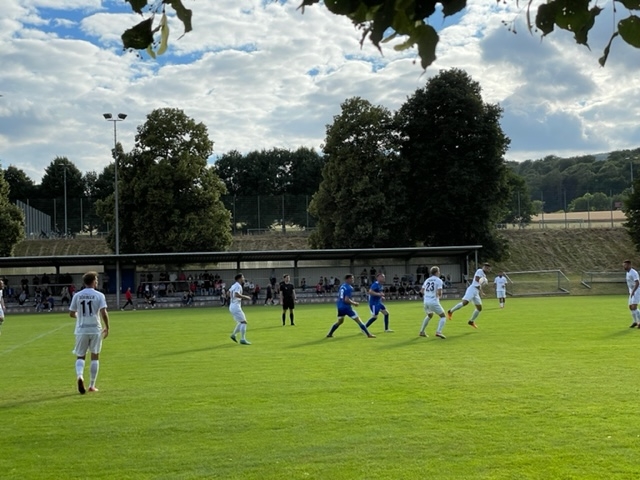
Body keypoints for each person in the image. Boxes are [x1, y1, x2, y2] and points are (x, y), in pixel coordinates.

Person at [69, 271, 110, 394]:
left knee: (80, 356)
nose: (97, 282)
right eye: (96, 280)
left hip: (81, 329)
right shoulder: (99, 295)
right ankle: (92, 385)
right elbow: (103, 313)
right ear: (93, 281)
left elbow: (71, 313)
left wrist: (80, 316)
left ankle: (80, 376)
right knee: (95, 356)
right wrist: (107, 327)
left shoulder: (77, 295)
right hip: (95, 329)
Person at [326, 274, 376, 339]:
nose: (353, 280)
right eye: (352, 278)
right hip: (346, 308)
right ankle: (368, 334)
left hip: (340, 307)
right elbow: (346, 299)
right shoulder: (349, 288)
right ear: (348, 279)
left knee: (340, 321)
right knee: (359, 320)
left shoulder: (342, 286)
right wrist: (354, 303)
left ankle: (330, 334)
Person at [447, 263, 492, 329]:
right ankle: (450, 311)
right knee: (465, 302)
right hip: (472, 289)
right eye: (485, 267)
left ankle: (471, 321)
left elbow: (479, 285)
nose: (486, 268)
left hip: (476, 292)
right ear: (483, 267)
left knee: (479, 308)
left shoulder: (484, 275)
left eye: (488, 268)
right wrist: (482, 281)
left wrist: (481, 292)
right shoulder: (480, 271)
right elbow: (477, 279)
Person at [419, 266, 447, 339]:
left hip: (426, 301)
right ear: (437, 272)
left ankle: (422, 332)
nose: (439, 273)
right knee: (443, 316)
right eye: (439, 271)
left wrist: (427, 295)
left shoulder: (427, 280)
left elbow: (421, 291)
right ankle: (438, 332)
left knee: (430, 315)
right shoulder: (438, 280)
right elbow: (439, 292)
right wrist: (438, 297)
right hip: (433, 301)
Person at [229, 273, 253, 345]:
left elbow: (228, 293)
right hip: (236, 306)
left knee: (241, 322)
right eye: (243, 277)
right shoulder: (238, 286)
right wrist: (246, 297)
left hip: (232, 305)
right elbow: (236, 294)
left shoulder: (233, 285)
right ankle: (242, 339)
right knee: (244, 322)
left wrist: (233, 298)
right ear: (239, 279)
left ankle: (233, 335)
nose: (244, 279)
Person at [624, 260, 640, 328]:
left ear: (630, 265)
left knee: (634, 306)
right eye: (624, 265)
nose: (624, 266)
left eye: (626, 265)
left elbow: (637, 282)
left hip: (636, 291)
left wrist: (633, 291)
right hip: (632, 291)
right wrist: (631, 291)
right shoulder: (627, 272)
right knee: (630, 307)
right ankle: (635, 322)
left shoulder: (633, 272)